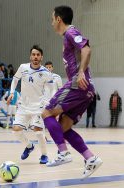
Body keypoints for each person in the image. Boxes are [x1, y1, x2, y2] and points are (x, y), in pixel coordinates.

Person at [41, 6, 102, 178]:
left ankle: (63, 153)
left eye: (52, 19)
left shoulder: (70, 32)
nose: (52, 22)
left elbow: (87, 49)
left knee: (46, 113)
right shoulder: (67, 37)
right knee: (64, 127)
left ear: (59, 19)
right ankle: (90, 159)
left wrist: (81, 71)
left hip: (77, 84)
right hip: (86, 89)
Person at [7, 45, 54, 164]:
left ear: (41, 57)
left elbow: (51, 88)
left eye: (38, 55)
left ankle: (44, 155)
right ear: (30, 56)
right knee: (16, 130)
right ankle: (29, 146)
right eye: (33, 54)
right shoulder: (23, 67)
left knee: (38, 131)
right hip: (23, 105)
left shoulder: (46, 72)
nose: (35, 57)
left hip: (38, 107)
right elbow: (15, 79)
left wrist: (49, 101)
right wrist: (12, 93)